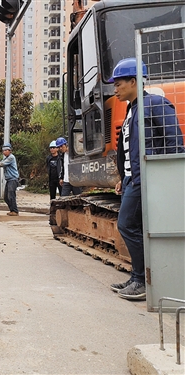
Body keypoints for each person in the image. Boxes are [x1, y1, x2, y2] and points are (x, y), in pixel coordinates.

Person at [108, 57, 184, 300]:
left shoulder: (155, 104)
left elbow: (174, 142)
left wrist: (166, 175)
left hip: (147, 179)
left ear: (134, 81)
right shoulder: (132, 110)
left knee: (126, 225)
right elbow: (129, 150)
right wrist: (124, 176)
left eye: (119, 84)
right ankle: (137, 276)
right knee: (137, 227)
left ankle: (142, 280)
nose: (115, 89)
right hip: (133, 179)